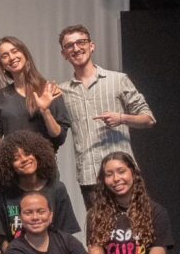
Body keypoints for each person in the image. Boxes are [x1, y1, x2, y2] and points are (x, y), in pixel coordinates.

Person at [57, 25, 156, 209]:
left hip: (123, 175)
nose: (76, 48)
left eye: (81, 42)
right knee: (100, 234)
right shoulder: (62, 91)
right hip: (90, 177)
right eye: (69, 46)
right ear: (64, 54)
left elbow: (148, 119)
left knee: (136, 231)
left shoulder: (117, 80)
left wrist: (121, 118)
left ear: (91, 46)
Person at [0, 131, 80, 252]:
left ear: (38, 155)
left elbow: (66, 234)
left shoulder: (57, 189)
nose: (24, 159)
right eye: (16, 158)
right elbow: (2, 239)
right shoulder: (3, 194)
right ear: (8, 166)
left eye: (28, 153)